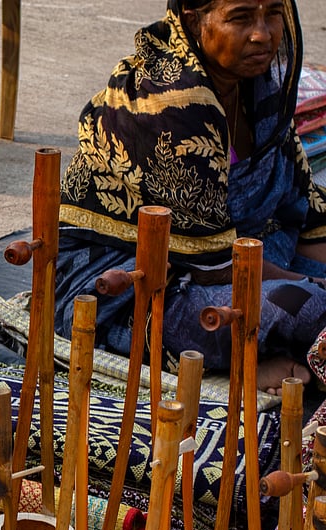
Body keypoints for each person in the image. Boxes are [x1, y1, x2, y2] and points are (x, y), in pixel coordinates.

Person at [54, 0, 326, 393]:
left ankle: (285, 352)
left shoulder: (260, 88)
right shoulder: (170, 102)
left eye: (272, 14)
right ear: (193, 20)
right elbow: (217, 265)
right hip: (140, 288)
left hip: (242, 254)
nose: (262, 34)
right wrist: (313, 285)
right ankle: (247, 366)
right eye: (241, 17)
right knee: (303, 305)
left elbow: (301, 207)